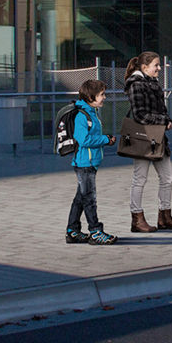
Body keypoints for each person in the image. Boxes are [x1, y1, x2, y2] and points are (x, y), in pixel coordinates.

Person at [123, 50, 172, 232]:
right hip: (143, 138)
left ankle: (165, 216)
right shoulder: (135, 85)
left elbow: (161, 109)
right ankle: (137, 218)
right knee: (140, 178)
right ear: (144, 67)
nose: (159, 68)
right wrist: (163, 121)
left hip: (158, 136)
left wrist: (167, 119)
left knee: (167, 178)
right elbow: (140, 114)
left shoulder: (153, 83)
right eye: (156, 65)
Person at [66, 78, 117, 245]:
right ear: (91, 97)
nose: (104, 97)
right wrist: (105, 139)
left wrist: (105, 139)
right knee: (89, 199)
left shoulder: (91, 112)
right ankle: (95, 232)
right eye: (102, 95)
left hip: (89, 163)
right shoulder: (82, 115)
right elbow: (84, 140)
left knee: (81, 198)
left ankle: (72, 231)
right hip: (84, 164)